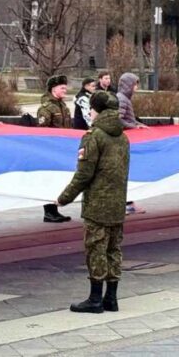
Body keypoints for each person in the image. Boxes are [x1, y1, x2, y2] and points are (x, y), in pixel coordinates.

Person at [58, 92, 130, 313]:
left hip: (97, 205)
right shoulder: (123, 137)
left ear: (96, 110)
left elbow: (84, 175)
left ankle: (95, 299)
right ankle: (112, 298)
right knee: (113, 249)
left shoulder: (93, 136)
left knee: (96, 250)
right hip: (117, 203)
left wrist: (63, 198)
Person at [37, 75, 74, 223]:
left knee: (58, 179)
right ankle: (49, 211)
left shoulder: (63, 106)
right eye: (62, 88)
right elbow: (43, 130)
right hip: (50, 150)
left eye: (65, 87)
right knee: (49, 180)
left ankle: (55, 210)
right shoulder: (46, 108)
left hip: (62, 149)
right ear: (53, 89)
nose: (65, 90)